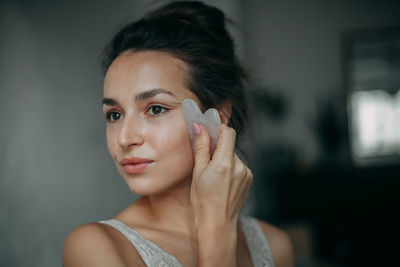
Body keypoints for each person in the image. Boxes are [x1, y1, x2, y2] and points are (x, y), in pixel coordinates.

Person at [62, 1, 294, 266]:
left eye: (156, 108)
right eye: (114, 114)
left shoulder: (274, 246)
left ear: (218, 116)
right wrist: (216, 233)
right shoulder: (95, 248)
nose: (125, 139)